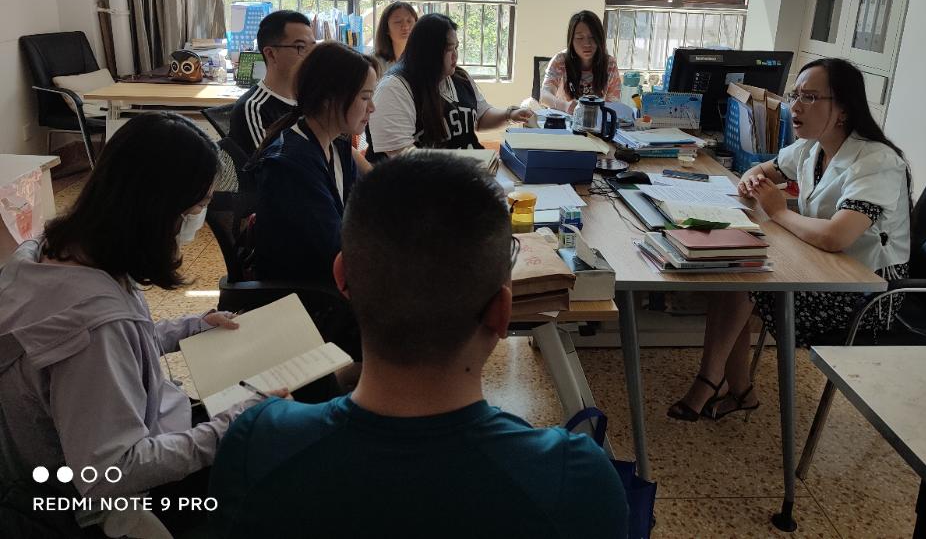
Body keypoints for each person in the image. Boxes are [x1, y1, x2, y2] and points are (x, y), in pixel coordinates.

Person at [209, 154, 628, 538]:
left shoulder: (255, 446)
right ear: (502, 313)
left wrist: (274, 422)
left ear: (342, 278)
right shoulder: (575, 480)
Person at [0, 113, 282, 535]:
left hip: (100, 445)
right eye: (197, 207)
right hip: (95, 506)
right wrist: (232, 427)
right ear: (157, 212)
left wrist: (190, 327)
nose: (200, 218)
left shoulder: (52, 251)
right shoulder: (97, 328)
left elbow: (109, 347)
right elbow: (111, 473)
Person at [668, 58, 911, 421]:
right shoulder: (811, 148)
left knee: (745, 279)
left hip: (868, 291)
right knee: (735, 273)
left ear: (843, 109)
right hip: (823, 265)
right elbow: (759, 170)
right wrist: (752, 181)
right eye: (795, 95)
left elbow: (836, 236)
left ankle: (714, 382)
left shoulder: (876, 161)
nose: (795, 106)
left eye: (810, 97)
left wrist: (779, 212)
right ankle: (735, 388)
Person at [249, 42, 377, 287]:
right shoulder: (290, 165)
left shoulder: (337, 146)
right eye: (365, 97)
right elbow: (336, 249)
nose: (372, 107)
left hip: (331, 279)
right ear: (329, 99)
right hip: (308, 294)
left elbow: (360, 213)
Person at [367, 13, 533, 159]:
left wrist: (510, 114)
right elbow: (401, 155)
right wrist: (458, 169)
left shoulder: (459, 77)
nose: (455, 55)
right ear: (428, 51)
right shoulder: (394, 88)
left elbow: (481, 117)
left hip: (465, 173)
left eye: (456, 47)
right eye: (448, 49)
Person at [229, 9, 372, 175]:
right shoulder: (254, 108)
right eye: (301, 47)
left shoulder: (314, 98)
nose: (312, 56)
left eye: (314, 47)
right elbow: (270, 171)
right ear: (271, 54)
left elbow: (338, 145)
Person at [540, 10, 621, 113]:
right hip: (565, 118)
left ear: (600, 39)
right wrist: (565, 106)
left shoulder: (609, 64)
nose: (587, 44)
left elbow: (613, 104)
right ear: (571, 40)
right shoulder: (560, 61)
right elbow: (544, 96)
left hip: (595, 120)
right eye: (580, 38)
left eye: (592, 37)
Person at [373, 0, 418, 72]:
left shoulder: (424, 58)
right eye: (398, 21)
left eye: (409, 21)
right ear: (386, 28)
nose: (405, 27)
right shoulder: (374, 63)